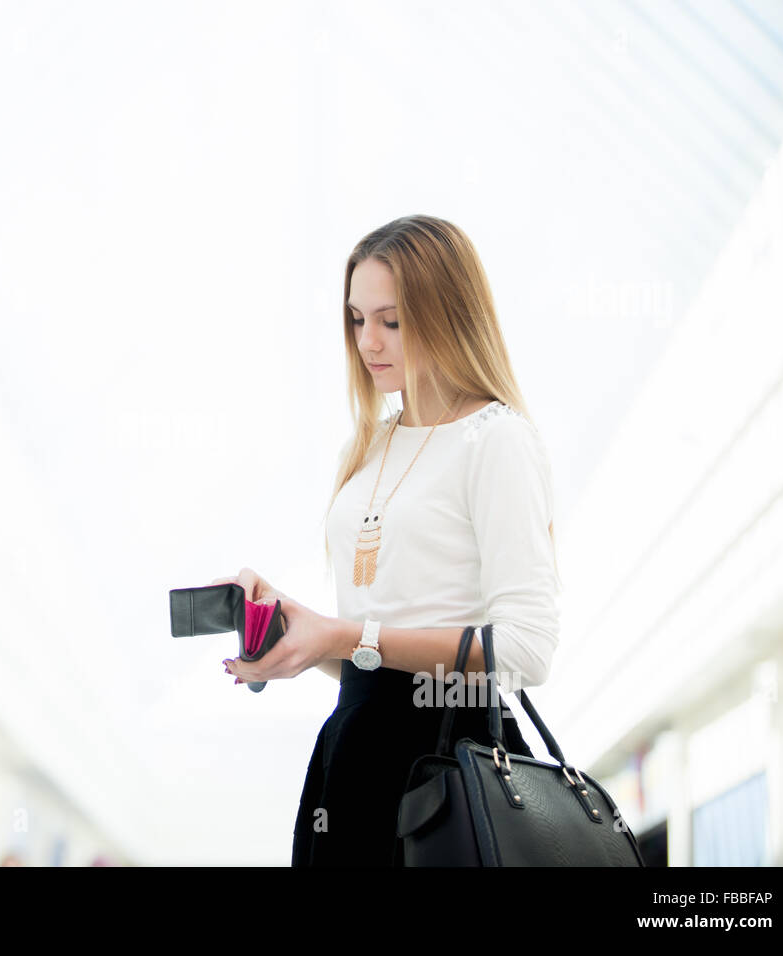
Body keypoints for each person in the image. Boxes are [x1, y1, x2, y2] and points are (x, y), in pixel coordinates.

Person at [214, 214, 561, 866]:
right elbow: (372, 656)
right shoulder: (368, 448)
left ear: (448, 313)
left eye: (391, 321)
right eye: (356, 318)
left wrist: (346, 636)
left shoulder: (496, 439)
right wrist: (300, 635)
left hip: (445, 764)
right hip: (354, 754)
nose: (369, 341)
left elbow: (526, 649)